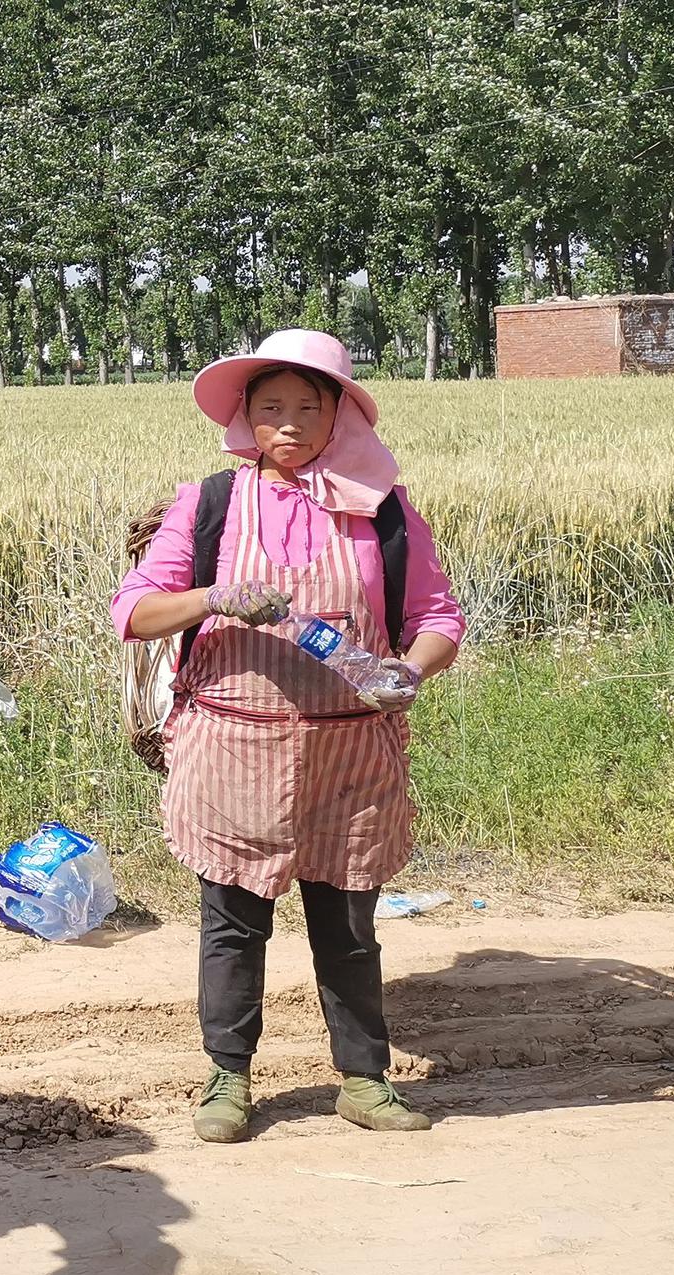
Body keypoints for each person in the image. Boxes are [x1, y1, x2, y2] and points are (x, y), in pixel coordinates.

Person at [111, 329, 464, 1143]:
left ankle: (364, 1083)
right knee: (232, 922)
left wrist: (409, 672)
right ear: (246, 417)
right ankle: (227, 1080)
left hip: (351, 749)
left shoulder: (386, 510)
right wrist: (213, 597)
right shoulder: (208, 505)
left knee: (348, 927)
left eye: (311, 406)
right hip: (235, 745)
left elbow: (437, 617)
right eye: (272, 407)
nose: (291, 424)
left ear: (341, 414)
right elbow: (132, 612)